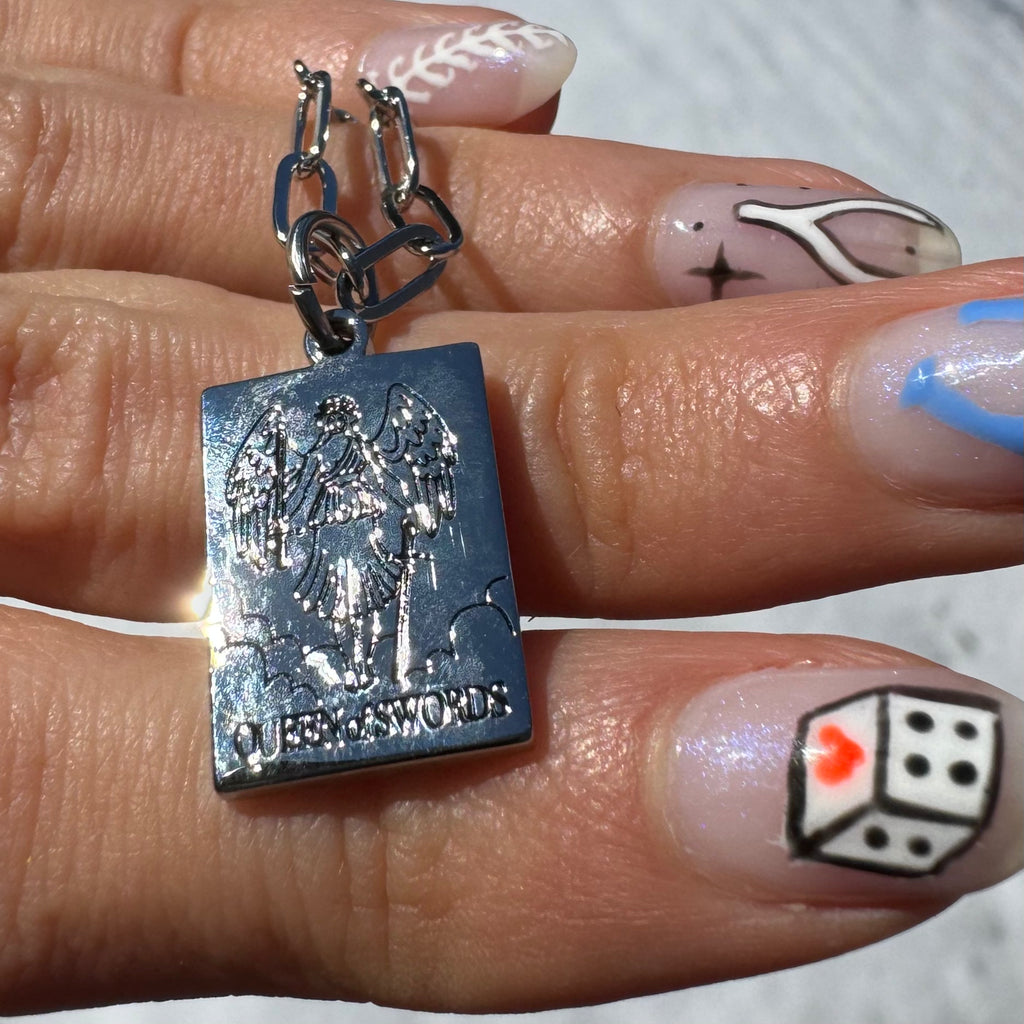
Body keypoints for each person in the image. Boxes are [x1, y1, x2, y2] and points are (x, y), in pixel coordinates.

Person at [0, 0, 1019, 1016]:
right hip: (328, 585)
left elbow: (411, 511)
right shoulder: (302, 454)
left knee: (380, 617)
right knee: (346, 622)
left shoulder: (387, 438)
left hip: (386, 560)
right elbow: (290, 528)